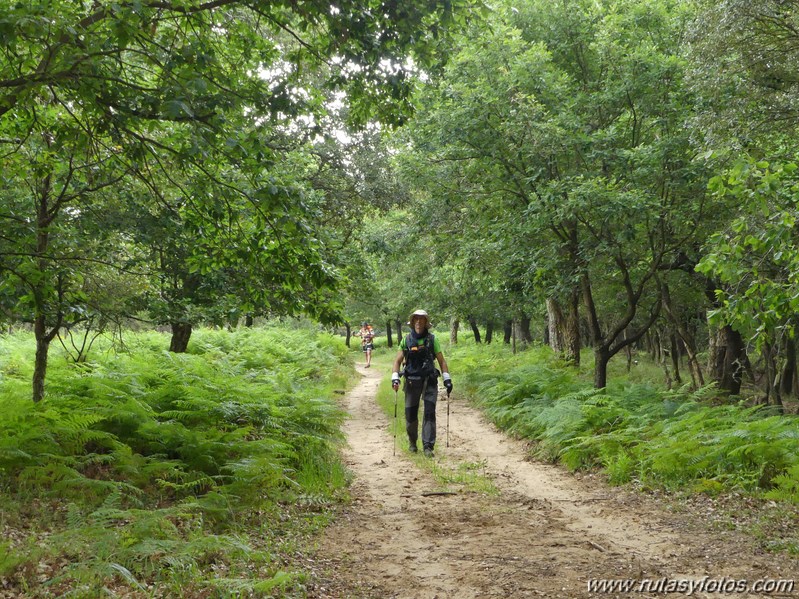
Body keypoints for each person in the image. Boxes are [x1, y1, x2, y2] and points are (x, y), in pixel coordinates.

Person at [391, 310, 452, 457]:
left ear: (426, 323)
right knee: (410, 414)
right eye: (416, 319)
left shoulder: (433, 340)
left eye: (421, 319)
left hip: (430, 381)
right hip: (411, 382)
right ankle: (413, 443)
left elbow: (441, 360)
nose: (418, 322)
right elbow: (398, 361)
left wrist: (447, 378)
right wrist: (395, 377)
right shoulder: (406, 340)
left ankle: (428, 446)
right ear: (412, 323)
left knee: (429, 413)